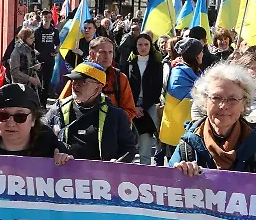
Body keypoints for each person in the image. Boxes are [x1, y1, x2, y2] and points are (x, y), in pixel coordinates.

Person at [169, 62, 256, 183]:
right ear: (204, 101)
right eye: (216, 98)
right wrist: (177, 174)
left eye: (232, 99)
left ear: (244, 105)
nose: (224, 106)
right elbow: (165, 186)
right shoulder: (188, 144)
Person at [46, 61, 137, 162]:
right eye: (73, 80)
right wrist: (55, 153)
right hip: (65, 176)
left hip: (101, 176)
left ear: (98, 87)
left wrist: (117, 163)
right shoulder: (57, 109)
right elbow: (40, 141)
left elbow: (129, 149)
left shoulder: (116, 115)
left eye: (82, 81)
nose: (75, 85)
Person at [58, 37, 138, 123]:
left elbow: (130, 111)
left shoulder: (120, 78)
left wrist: (111, 123)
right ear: (92, 54)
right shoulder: (78, 75)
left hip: (110, 132)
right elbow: (61, 105)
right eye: (102, 52)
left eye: (110, 52)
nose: (107, 56)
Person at [159, 38, 205, 156]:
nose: (203, 54)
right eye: (201, 51)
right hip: (177, 131)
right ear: (195, 55)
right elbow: (195, 99)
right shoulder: (178, 74)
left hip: (190, 130)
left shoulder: (195, 71)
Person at [127, 33, 164, 165]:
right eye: (140, 44)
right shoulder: (129, 64)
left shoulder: (157, 65)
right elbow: (126, 88)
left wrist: (143, 107)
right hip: (131, 106)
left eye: (146, 44)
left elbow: (157, 89)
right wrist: (133, 106)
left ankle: (145, 170)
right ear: (136, 46)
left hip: (149, 106)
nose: (143, 47)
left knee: (146, 141)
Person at [34, 14, 60, 101]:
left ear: (51, 18)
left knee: (47, 81)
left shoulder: (54, 31)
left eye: (49, 17)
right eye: (45, 17)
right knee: (38, 81)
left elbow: (58, 44)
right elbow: (32, 45)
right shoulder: (37, 31)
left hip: (49, 59)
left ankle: (43, 102)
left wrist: (56, 51)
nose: (46, 19)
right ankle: (37, 100)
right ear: (42, 17)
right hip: (39, 59)